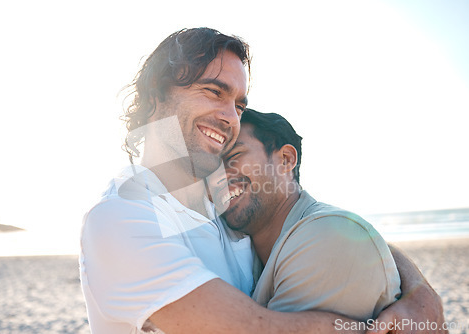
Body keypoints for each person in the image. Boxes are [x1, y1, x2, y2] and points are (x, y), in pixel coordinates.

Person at [80, 27, 446, 334]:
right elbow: (257, 329)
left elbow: (330, 228)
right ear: (156, 96)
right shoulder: (121, 218)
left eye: (238, 104)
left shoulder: (224, 208)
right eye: (213, 91)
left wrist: (421, 296)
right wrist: (364, 327)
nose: (229, 117)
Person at [212, 108, 399, 321]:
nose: (218, 175)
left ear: (285, 160)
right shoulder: (247, 249)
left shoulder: (327, 236)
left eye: (234, 156)